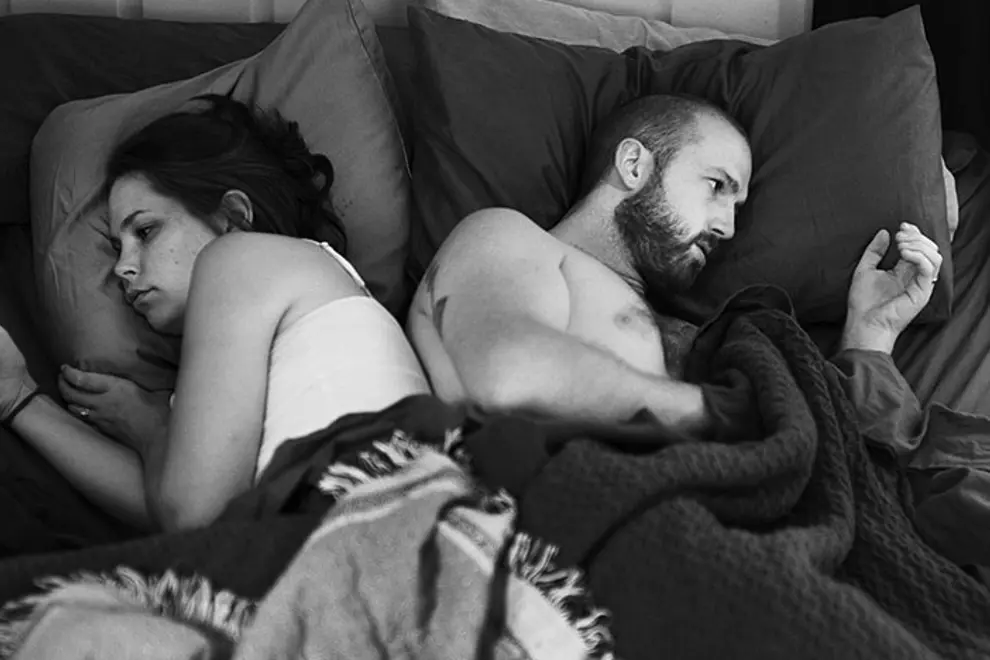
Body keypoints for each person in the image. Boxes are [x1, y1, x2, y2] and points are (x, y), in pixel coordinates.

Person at [0, 95, 431, 533]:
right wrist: (19, 399)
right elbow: (166, 507)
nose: (121, 267)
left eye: (145, 231)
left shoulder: (239, 259)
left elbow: (191, 513)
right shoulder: (253, 333)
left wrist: (149, 426)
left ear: (232, 218)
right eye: (117, 246)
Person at [407, 92, 943, 434]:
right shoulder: (505, 236)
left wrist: (870, 337)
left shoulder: (689, 331)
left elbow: (845, 444)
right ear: (634, 164)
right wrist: (730, 416)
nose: (728, 228)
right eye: (716, 186)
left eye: (737, 207)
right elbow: (506, 376)